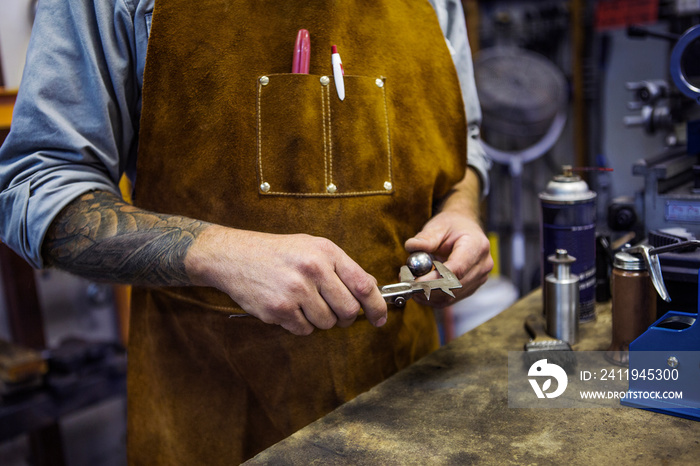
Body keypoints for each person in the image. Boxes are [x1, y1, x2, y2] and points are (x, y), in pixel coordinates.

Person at [0, 0, 493, 463]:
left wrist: (462, 208)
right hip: (217, 418)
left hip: (407, 400)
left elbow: (464, 146)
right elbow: (36, 187)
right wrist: (217, 252)